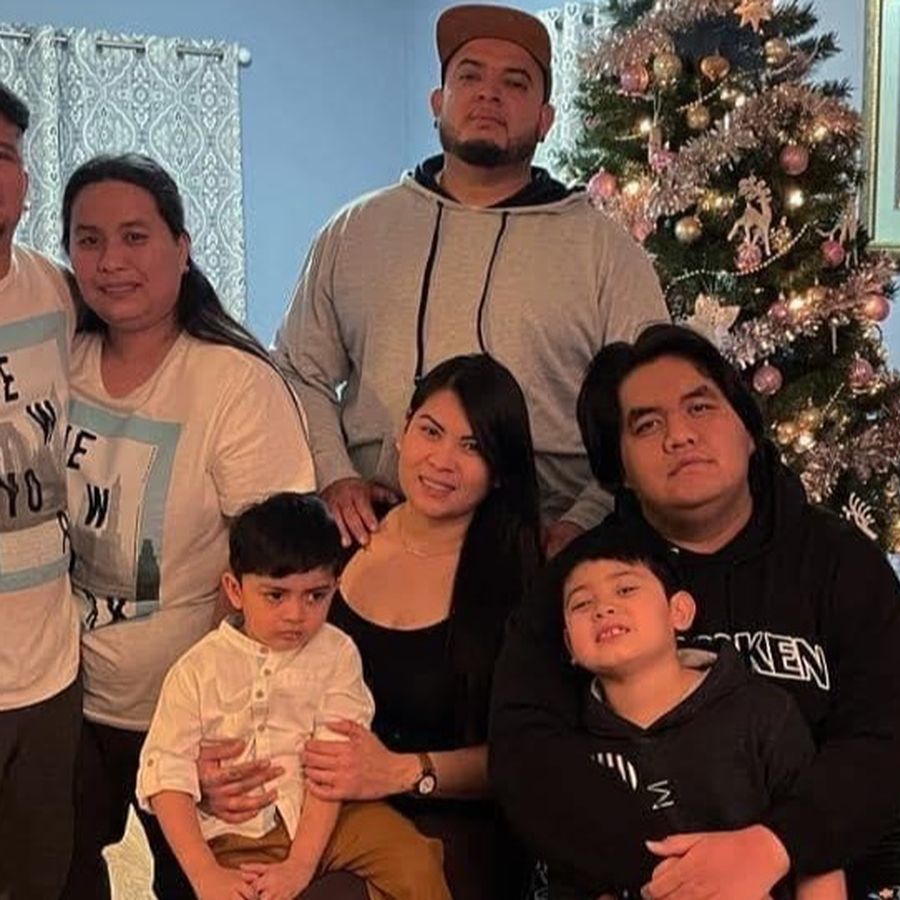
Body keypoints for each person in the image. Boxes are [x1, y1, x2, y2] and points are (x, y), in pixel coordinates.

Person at [491, 324, 900, 899]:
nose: (680, 435)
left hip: (837, 856)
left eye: (700, 407)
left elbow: (889, 735)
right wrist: (681, 874)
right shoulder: (584, 584)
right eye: (647, 425)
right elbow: (526, 756)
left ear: (748, 430)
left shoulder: (841, 562)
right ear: (619, 468)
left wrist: (773, 847)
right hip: (638, 873)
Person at [273, 3, 667, 556]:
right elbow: (299, 369)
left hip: (539, 548)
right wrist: (336, 475)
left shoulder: (605, 251)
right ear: (438, 102)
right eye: (470, 76)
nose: (489, 94)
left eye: (515, 82)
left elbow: (650, 398)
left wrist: (585, 520)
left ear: (546, 119)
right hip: (377, 544)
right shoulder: (355, 231)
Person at [59, 153, 317, 899]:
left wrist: (213, 716)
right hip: (68, 700)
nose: (112, 261)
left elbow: (276, 566)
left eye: (135, 237)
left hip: (200, 714)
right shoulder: (61, 359)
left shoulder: (233, 383)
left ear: (182, 246)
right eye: (89, 240)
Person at [201, 354, 542, 900]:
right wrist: (214, 769)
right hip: (302, 800)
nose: (442, 460)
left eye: (472, 446)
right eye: (431, 431)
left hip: (444, 820)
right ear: (403, 431)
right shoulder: (336, 537)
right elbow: (232, 660)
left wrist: (402, 771)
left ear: (499, 469)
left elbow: (530, 754)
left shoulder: (520, 582)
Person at [137, 492, 450, 900]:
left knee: (415, 861)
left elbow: (332, 766)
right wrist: (205, 875)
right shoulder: (196, 671)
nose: (295, 614)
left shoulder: (337, 654)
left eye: (315, 596)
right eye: (276, 595)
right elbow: (165, 774)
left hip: (329, 821)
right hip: (232, 834)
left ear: (335, 587)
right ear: (235, 589)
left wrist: (300, 865)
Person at [553, 528, 847, 900]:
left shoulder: (763, 712)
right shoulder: (572, 750)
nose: (603, 608)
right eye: (581, 604)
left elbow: (817, 851)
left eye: (625, 589)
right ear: (569, 645)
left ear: (679, 611)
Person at [0, 80, 81, 900]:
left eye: (0, 154)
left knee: (41, 877)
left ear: (24, 179)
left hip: (51, 670)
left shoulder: (57, 290)